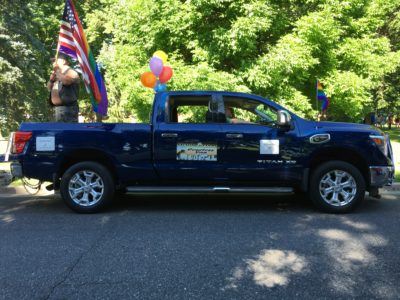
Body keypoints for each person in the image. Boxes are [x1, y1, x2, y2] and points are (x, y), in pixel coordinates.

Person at [47, 53, 80, 122]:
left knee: (67, 132)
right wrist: (51, 80)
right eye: (53, 61)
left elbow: (66, 82)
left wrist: (58, 72)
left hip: (68, 109)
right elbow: (49, 88)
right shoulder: (58, 74)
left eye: (55, 61)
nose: (53, 63)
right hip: (58, 109)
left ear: (63, 61)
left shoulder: (71, 72)